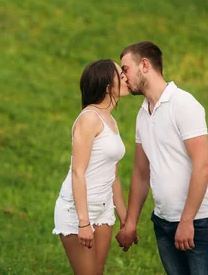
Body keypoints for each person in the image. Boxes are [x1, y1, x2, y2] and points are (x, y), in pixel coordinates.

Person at [115, 41, 208, 275]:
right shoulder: (143, 114)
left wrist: (187, 221)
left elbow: (203, 166)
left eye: (125, 69)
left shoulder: (184, 104)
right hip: (163, 223)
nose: (124, 77)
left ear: (144, 65)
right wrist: (131, 223)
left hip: (199, 223)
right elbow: (141, 173)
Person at [53, 59, 129, 275]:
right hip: (76, 210)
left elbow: (112, 172)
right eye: (119, 73)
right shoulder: (89, 118)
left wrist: (124, 216)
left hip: (103, 208)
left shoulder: (110, 119)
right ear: (107, 85)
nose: (125, 76)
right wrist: (83, 222)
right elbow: (78, 172)